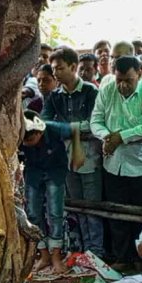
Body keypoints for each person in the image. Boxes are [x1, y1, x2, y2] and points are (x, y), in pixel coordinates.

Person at [91, 56, 142, 271]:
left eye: (129, 80)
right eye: (119, 80)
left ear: (139, 74)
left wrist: (122, 137)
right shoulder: (107, 90)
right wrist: (107, 137)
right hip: (113, 163)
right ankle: (122, 258)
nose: (123, 85)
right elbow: (95, 120)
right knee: (117, 215)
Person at [42, 46, 105, 258]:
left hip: (90, 158)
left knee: (93, 208)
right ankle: (83, 250)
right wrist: (73, 128)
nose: (56, 73)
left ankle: (96, 253)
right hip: (65, 159)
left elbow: (94, 123)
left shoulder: (91, 92)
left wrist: (65, 128)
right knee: (77, 207)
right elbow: (44, 123)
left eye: (60, 68)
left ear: (73, 66)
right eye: (54, 69)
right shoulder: (54, 96)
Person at [20, 111, 82, 273]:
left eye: (30, 140)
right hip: (33, 172)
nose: (27, 144)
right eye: (24, 141)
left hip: (55, 171)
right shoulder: (21, 134)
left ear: (39, 133)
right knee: (32, 213)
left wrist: (76, 152)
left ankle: (56, 256)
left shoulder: (53, 128)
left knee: (55, 212)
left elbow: (74, 128)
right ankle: (44, 254)